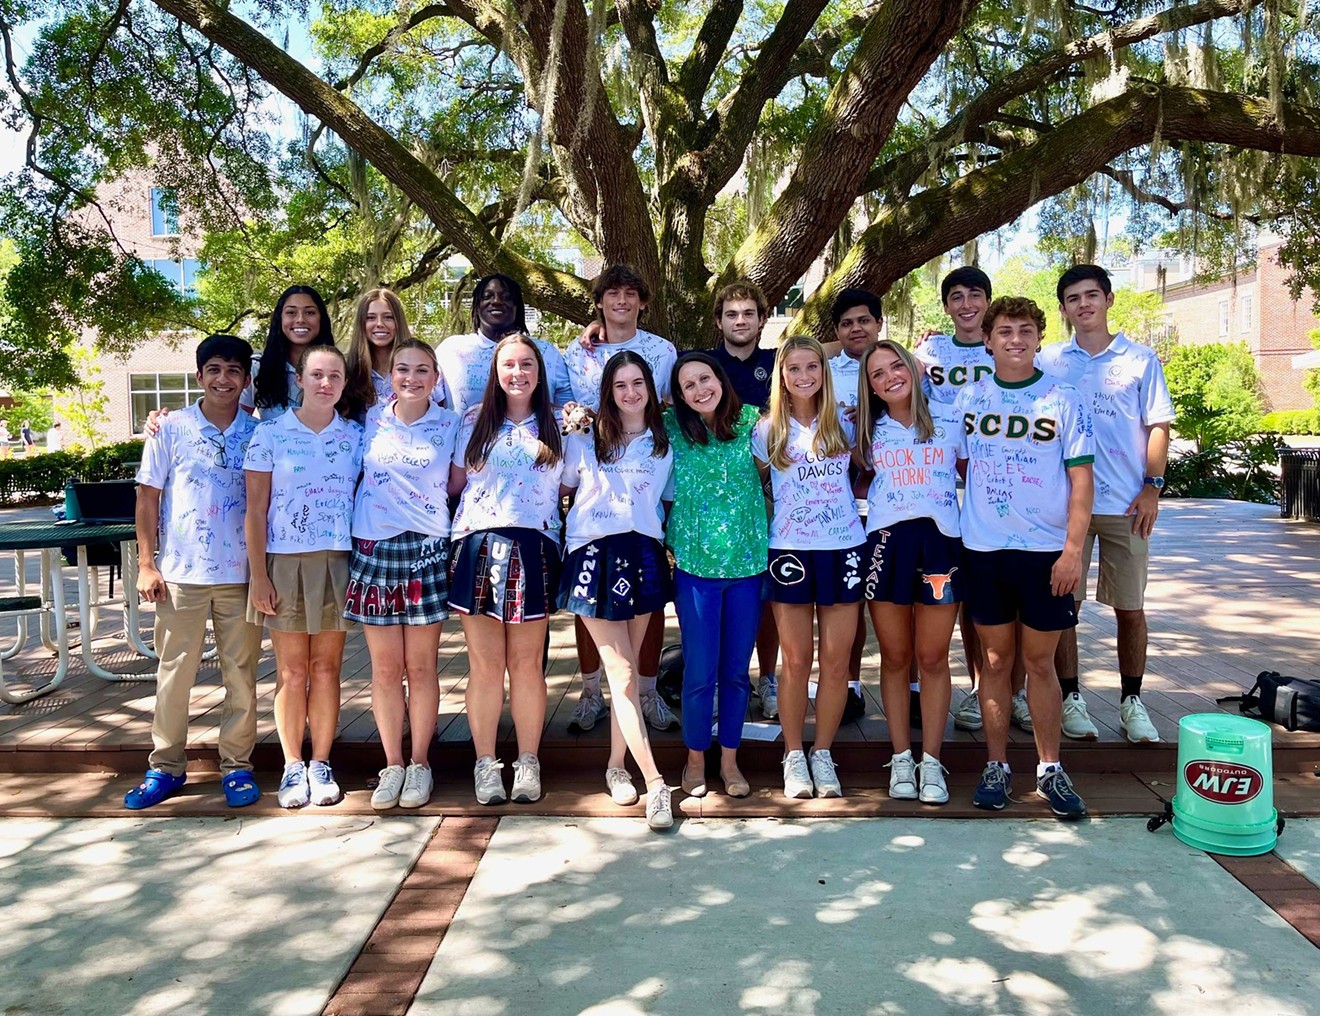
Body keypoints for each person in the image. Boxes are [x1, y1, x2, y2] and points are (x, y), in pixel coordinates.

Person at [956, 296, 1094, 820]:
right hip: (985, 550)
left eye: (1025, 330)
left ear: (1040, 338)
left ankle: (1050, 768)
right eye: (1005, 330)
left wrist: (1073, 552)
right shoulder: (970, 397)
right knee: (993, 662)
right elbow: (960, 463)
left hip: (1045, 555)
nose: (1015, 339)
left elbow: (1082, 481)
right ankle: (996, 766)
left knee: (1039, 662)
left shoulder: (1065, 398)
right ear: (987, 340)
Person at [125, 334, 264, 810]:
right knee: (174, 674)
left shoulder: (259, 432)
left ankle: (237, 766)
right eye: (215, 370)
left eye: (234, 371)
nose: (224, 380)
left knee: (240, 676)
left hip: (242, 575)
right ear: (200, 374)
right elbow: (148, 496)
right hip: (180, 574)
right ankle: (165, 766)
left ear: (245, 380)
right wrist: (146, 563)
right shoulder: (171, 428)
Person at [1041, 264, 1175, 744]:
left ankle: (1132, 701)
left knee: (1130, 607)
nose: (1083, 305)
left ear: (1109, 299)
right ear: (1063, 309)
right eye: (1073, 298)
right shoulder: (1051, 360)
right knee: (1063, 609)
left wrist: (1152, 487)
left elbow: (1158, 424)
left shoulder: (1140, 359)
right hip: (1064, 507)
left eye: (1091, 295)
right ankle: (1072, 698)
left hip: (1125, 505)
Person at [558, 352, 675, 829]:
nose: (629, 392)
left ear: (649, 387)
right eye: (619, 384)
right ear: (607, 391)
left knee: (626, 678)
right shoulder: (584, 437)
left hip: (644, 555)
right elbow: (563, 487)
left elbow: (664, 502)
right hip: (593, 555)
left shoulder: (665, 443)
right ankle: (656, 784)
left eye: (637, 383)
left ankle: (614, 766)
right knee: (623, 672)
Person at [245, 345, 364, 808]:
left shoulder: (356, 435)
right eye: (316, 374)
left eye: (334, 376)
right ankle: (293, 765)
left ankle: (321, 761)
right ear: (299, 378)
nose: (325, 384)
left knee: (327, 669)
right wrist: (259, 575)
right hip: (285, 563)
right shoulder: (270, 434)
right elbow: (255, 510)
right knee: (293, 672)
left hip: (338, 561)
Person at [448, 333, 565, 805]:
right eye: (508, 365)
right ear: (496, 373)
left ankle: (529, 761)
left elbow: (574, 482)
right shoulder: (474, 420)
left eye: (526, 365)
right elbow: (455, 482)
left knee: (525, 663)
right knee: (485, 664)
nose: (517, 373)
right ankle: (485, 763)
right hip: (478, 542)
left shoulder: (561, 422)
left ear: (539, 373)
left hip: (535, 544)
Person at [564, 265, 679, 738]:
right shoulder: (578, 349)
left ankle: (648, 693)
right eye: (612, 294)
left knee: (648, 604)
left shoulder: (662, 351)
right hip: (594, 475)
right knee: (588, 606)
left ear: (643, 302)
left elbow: (671, 401)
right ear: (599, 302)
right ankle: (591, 693)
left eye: (631, 294)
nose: (622, 302)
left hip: (645, 473)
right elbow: (562, 404)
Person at [347, 340, 461, 810]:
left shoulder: (453, 424)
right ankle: (392, 764)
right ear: (389, 375)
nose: (411, 378)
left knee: (421, 666)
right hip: (374, 549)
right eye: (402, 370)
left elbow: (456, 483)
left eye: (422, 371)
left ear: (436, 378)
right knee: (386, 668)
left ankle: (420, 765)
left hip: (427, 550)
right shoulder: (367, 421)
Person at [751, 336, 864, 800]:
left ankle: (822, 752)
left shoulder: (848, 423)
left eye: (811, 367)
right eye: (793, 368)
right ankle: (793, 755)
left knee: (836, 663)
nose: (803, 376)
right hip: (790, 550)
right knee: (795, 661)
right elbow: (751, 483)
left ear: (824, 371)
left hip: (842, 547)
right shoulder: (765, 430)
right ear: (782, 375)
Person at [857, 339, 963, 805]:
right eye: (877, 375)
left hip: (941, 542)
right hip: (886, 543)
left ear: (913, 367)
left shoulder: (951, 419)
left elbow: (977, 473)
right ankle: (902, 756)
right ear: (871, 388)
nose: (888, 378)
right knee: (896, 658)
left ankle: (932, 760)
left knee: (934, 657)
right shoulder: (863, 430)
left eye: (894, 366)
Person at [666, 352, 766, 799]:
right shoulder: (671, 429)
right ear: (680, 396)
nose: (699, 389)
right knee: (699, 671)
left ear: (719, 379)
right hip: (695, 569)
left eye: (704, 378)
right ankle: (694, 758)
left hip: (747, 566)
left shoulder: (752, 423)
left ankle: (729, 759)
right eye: (688, 385)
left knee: (736, 672)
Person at [914, 266, 997, 735]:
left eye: (975, 295)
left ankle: (1002, 692)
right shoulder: (931, 349)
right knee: (960, 596)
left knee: (991, 603)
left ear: (987, 301)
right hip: (943, 488)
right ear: (946, 306)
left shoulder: (1004, 343)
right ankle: (975, 688)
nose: (967, 305)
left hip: (994, 486)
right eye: (957, 297)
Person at [709, 281, 781, 722]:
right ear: (719, 321)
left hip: (770, 491)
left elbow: (830, 352)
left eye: (748, 314)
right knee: (715, 592)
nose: (740, 321)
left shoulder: (777, 365)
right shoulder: (699, 365)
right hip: (714, 500)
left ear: (761, 319)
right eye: (732, 314)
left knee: (769, 592)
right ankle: (717, 680)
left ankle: (768, 678)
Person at [828, 288, 884, 724]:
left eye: (864, 320)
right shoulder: (826, 373)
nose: (856, 329)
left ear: (878, 324)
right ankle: (850, 684)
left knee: (897, 599)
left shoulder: (902, 368)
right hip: (838, 502)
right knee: (850, 597)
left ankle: (915, 687)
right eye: (847, 323)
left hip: (895, 500)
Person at [434, 273, 571, 418]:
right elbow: (429, 406)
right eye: (487, 296)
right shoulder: (450, 350)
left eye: (506, 297)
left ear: (517, 306)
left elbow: (567, 411)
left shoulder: (547, 353)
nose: (496, 301)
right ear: (476, 305)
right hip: (464, 439)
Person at [344, 287, 449, 417]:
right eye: (371, 318)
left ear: (398, 322)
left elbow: (441, 416)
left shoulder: (424, 365)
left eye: (388, 317)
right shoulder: (349, 370)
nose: (380, 324)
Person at [242, 285, 336, 419]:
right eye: (291, 312)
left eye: (310, 312)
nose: (300, 319)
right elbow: (240, 425)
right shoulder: (258, 369)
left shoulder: (338, 370)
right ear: (280, 318)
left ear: (321, 319)